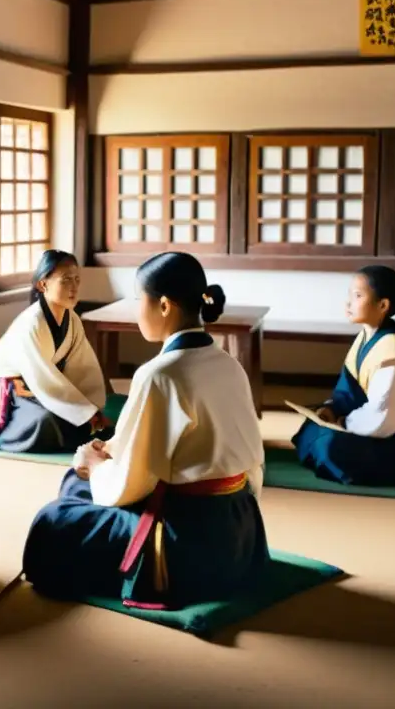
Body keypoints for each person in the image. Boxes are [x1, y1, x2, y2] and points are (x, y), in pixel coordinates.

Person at [22, 252, 269, 610]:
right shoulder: (228, 364)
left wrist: (97, 465)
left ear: (164, 305)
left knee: (54, 520)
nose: (139, 309)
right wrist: (109, 455)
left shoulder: (160, 374)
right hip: (239, 531)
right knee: (78, 486)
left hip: (186, 543)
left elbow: (134, 483)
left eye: (141, 300)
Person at [292, 265, 395, 487]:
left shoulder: (393, 353)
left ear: (383, 305)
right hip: (370, 428)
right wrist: (331, 409)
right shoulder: (366, 337)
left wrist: (342, 421)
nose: (348, 303)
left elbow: (383, 419)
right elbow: (347, 390)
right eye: (349, 295)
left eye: (357, 296)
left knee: (330, 445)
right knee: (313, 428)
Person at [0, 249, 110, 453]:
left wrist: (90, 406)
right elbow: (43, 377)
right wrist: (81, 411)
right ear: (43, 284)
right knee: (45, 421)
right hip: (12, 387)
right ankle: (2, 433)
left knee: (77, 417)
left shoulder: (72, 319)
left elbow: (83, 367)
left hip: (42, 385)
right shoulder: (32, 323)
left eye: (77, 279)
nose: (74, 287)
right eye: (66, 280)